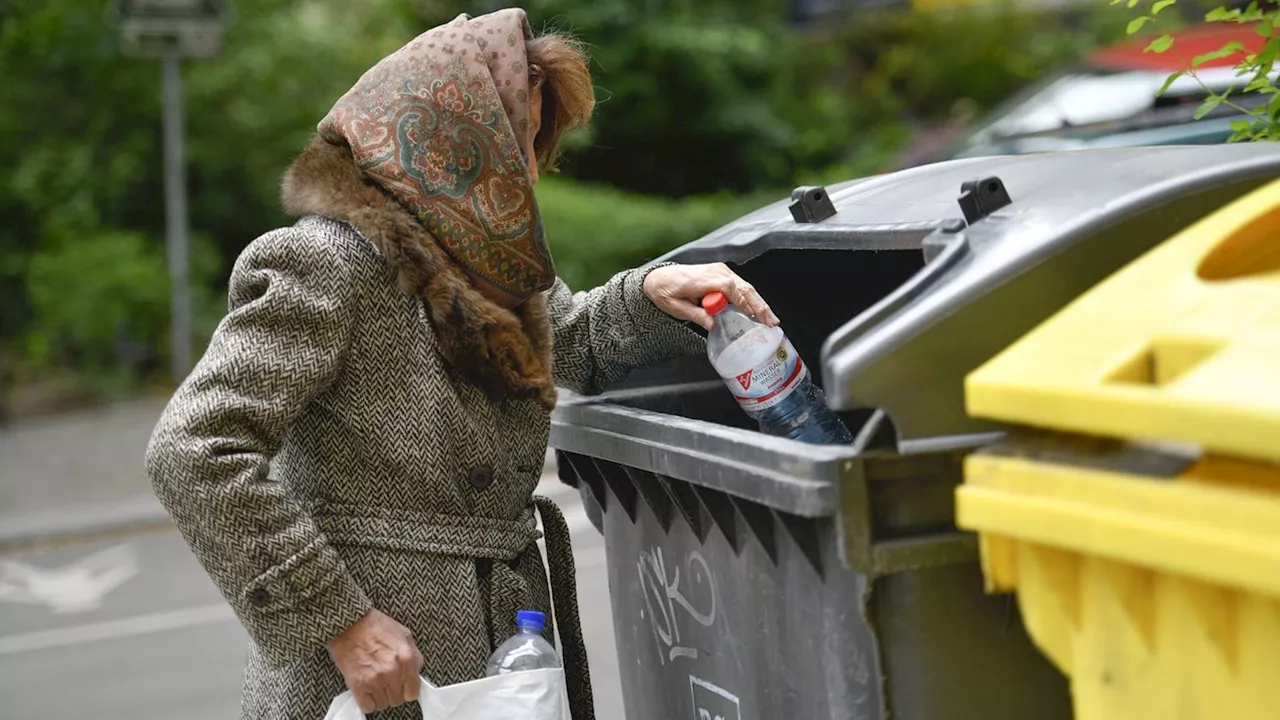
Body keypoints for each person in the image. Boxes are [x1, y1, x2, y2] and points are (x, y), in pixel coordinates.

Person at [144, 7, 778, 720]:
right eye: (515, 139)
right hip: (378, 667)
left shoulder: (484, 252)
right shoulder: (325, 259)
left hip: (502, 637)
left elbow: (570, 341)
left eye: (535, 142)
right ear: (446, 136)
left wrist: (647, 293)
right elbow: (192, 450)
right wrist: (343, 624)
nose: (530, 165)